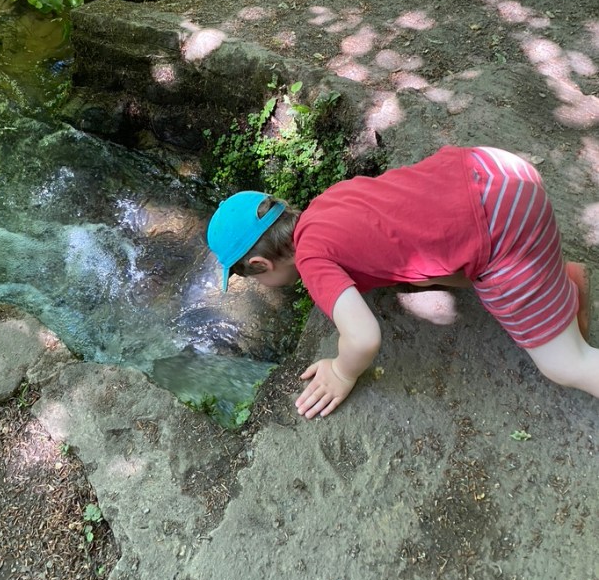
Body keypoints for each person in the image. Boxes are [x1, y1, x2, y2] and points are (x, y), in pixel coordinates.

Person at [206, 145, 596, 418]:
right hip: (495, 169)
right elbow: (406, 239)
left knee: (565, 365)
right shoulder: (327, 204)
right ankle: (557, 284)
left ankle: (558, 314)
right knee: (454, 271)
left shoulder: (312, 261)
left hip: (503, 225)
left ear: (260, 265)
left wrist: (341, 371)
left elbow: (363, 338)